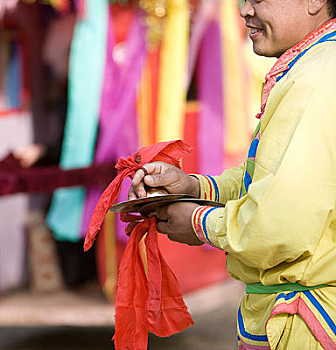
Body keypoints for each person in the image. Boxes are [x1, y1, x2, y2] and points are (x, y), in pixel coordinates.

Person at [129, 0, 336, 348]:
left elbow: (280, 224)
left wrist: (198, 221)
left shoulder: (316, 78)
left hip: (305, 323)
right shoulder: (314, 66)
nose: (244, 10)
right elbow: (269, 176)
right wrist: (194, 186)